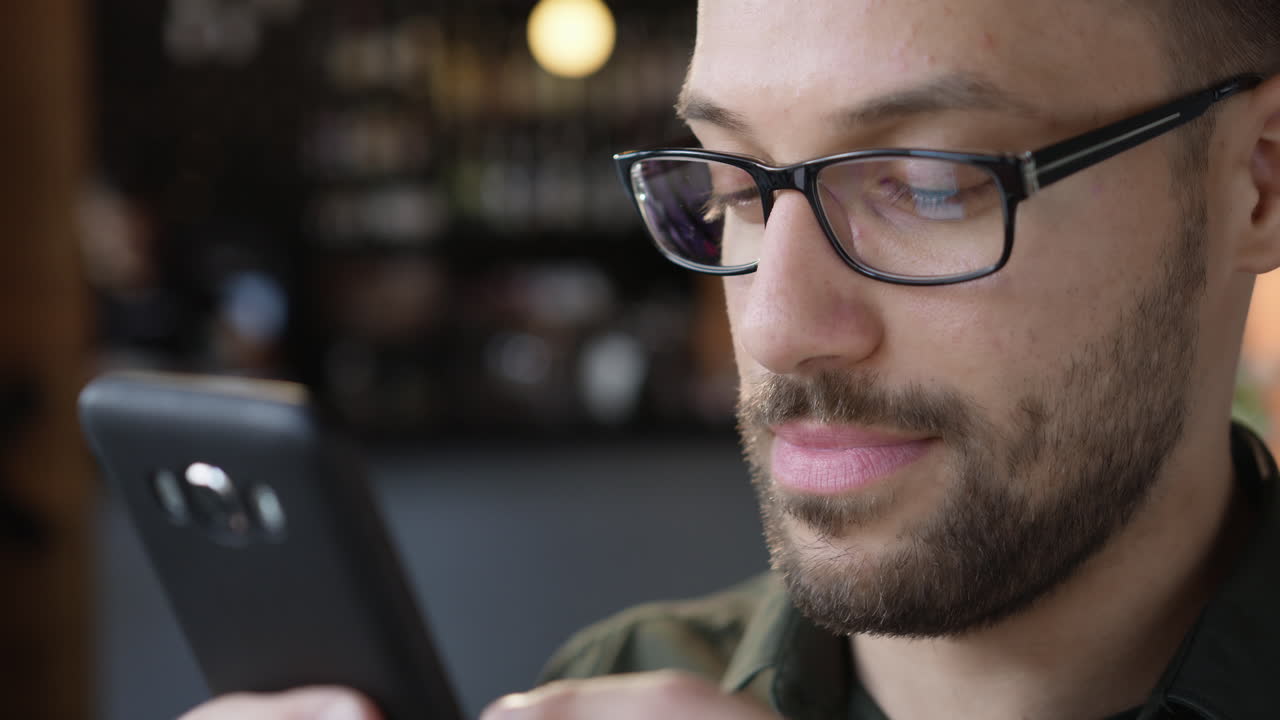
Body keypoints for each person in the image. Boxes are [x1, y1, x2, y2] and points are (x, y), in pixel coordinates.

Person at [182, 0, 1280, 718]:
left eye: (932, 181)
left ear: (1259, 179)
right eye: (729, 182)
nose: (771, 326)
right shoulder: (612, 681)